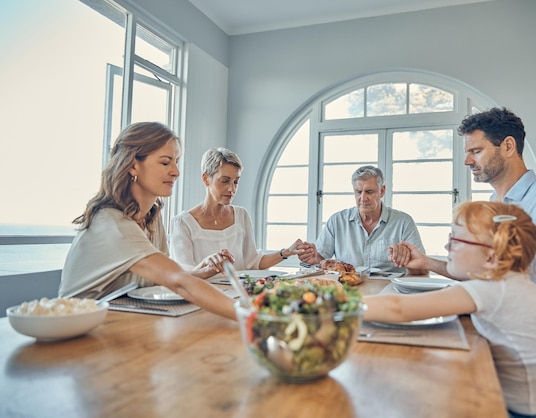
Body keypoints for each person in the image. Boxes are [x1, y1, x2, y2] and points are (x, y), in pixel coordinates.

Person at [364, 201, 536, 418]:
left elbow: (398, 308)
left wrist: (339, 304)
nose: (447, 247)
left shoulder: (492, 289)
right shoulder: (511, 282)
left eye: (456, 241)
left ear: (491, 258)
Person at [397, 108, 536, 328]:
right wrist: (427, 262)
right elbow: (486, 276)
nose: (467, 161)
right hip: (501, 331)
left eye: (476, 151)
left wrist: (481, 303)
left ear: (508, 146)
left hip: (533, 347)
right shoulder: (496, 204)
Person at [58, 122, 236, 320]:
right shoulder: (112, 224)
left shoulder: (151, 217)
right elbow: (177, 281)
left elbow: (160, 281)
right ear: (133, 165)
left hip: (121, 323)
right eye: (165, 162)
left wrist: (199, 273)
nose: (176, 171)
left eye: (176, 162)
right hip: (77, 330)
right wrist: (254, 316)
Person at [170, 147, 300, 274]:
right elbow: (184, 276)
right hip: (204, 295)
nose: (232, 189)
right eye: (225, 181)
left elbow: (253, 262)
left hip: (241, 294)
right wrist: (205, 263)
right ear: (205, 179)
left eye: (236, 182)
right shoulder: (183, 223)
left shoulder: (241, 216)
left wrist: (286, 252)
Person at [297, 165, 428, 275]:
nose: (363, 198)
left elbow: (423, 271)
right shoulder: (337, 221)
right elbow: (321, 261)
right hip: (347, 291)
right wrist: (315, 259)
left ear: (382, 191)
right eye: (358, 192)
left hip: (389, 293)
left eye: (369, 192)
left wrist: (406, 260)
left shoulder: (403, 222)